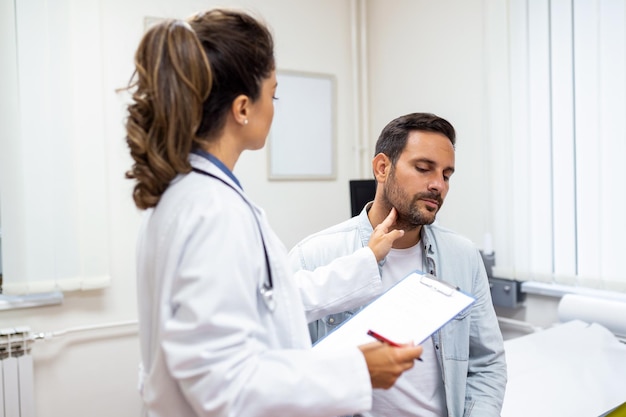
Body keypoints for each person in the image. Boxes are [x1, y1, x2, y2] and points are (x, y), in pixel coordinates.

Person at [123, 9, 424, 417]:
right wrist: (357, 370)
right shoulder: (214, 213)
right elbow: (223, 383)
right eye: (274, 93)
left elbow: (274, 302)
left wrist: (366, 260)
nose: (275, 107)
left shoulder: (187, 196)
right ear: (243, 107)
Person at [289, 112, 507, 417]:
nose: (438, 185)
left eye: (446, 175)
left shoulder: (464, 257)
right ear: (382, 168)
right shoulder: (312, 257)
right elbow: (286, 374)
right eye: (423, 168)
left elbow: (486, 364)